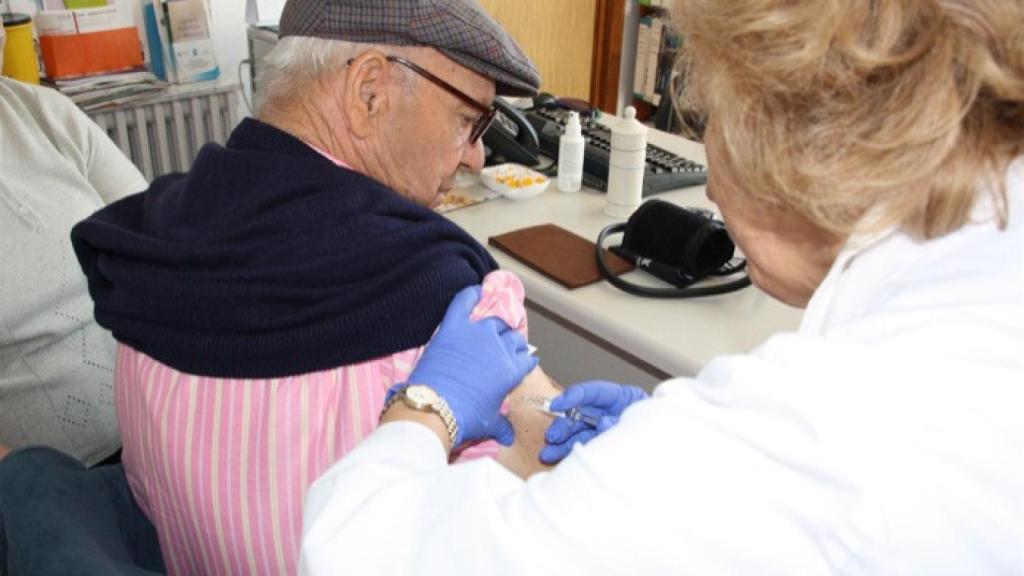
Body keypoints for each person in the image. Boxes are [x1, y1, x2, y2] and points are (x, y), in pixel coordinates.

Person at [299, 0, 1024, 573]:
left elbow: (356, 554)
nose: (711, 178)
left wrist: (428, 405)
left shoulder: (818, 440)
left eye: (708, 118)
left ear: (789, 135)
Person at [70, 1, 559, 575]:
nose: (476, 156)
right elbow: (549, 500)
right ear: (369, 91)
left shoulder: (144, 244)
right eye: (468, 121)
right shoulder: (442, 297)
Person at [0, 21, 147, 465]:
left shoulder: (42, 112)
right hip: (45, 475)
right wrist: (30, 482)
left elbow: (152, 240)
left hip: (158, 417)